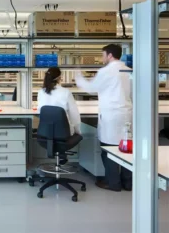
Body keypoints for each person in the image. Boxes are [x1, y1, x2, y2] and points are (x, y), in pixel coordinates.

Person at [75, 44, 132, 192]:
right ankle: (128, 183)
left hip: (111, 115)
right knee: (127, 149)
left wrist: (78, 76)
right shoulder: (129, 71)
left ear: (110, 55)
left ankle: (113, 183)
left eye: (103, 55)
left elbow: (90, 88)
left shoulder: (106, 71)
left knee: (109, 149)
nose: (102, 58)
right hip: (127, 114)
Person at [38, 67, 82, 137]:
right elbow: (74, 115)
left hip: (45, 132)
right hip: (63, 133)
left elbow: (40, 112)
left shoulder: (41, 92)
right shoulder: (66, 92)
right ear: (59, 78)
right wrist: (78, 131)